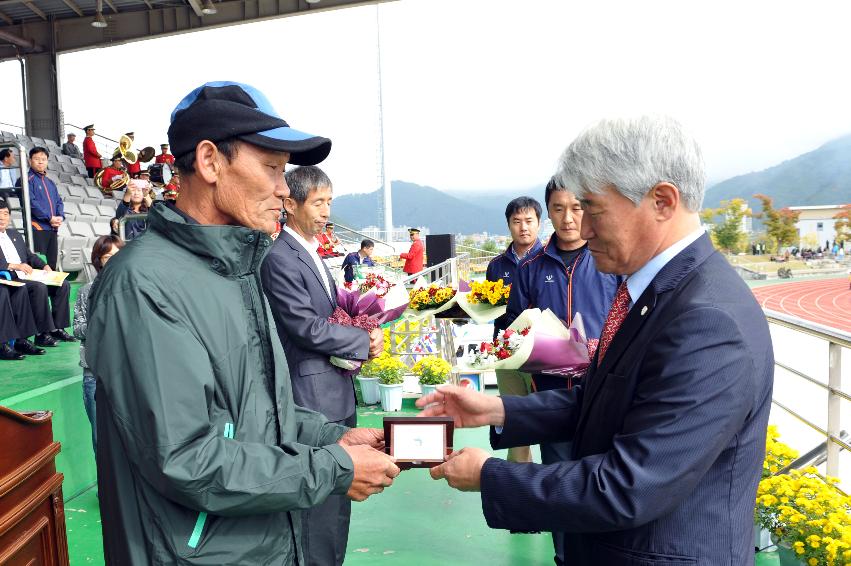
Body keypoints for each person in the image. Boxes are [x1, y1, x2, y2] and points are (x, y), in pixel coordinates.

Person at [418, 115, 774, 566]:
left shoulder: (708, 321)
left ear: (662, 201)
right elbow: (605, 400)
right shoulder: (652, 291)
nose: (582, 231)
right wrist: (497, 408)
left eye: (593, 210)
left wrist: (490, 476)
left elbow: (629, 486)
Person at [86, 81, 399, 566]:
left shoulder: (238, 267)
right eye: (272, 168)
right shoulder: (145, 285)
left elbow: (257, 413)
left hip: (257, 543)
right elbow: (185, 458)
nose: (282, 188)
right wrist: (330, 469)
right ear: (210, 162)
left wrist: (328, 436)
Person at [261, 165, 384, 566]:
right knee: (318, 512)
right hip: (311, 397)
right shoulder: (280, 256)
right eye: (318, 202)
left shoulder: (311, 251)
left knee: (336, 505)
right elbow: (304, 327)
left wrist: (359, 325)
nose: (326, 211)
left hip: (334, 389)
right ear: (290, 204)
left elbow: (327, 317)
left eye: (329, 202)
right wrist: (362, 340)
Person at [501, 180, 618, 561]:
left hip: (605, 394)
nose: (568, 219)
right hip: (551, 395)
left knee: (605, 484)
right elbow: (517, 329)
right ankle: (564, 557)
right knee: (560, 484)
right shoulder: (531, 268)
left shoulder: (610, 260)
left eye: (576, 207)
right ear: (548, 212)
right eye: (558, 209)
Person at [484, 196, 544, 464]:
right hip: (506, 353)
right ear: (508, 225)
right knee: (515, 420)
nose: (523, 227)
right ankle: (519, 485)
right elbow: (486, 305)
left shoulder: (550, 261)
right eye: (517, 221)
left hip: (543, 353)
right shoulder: (496, 265)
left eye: (529, 221)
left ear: (539, 224)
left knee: (549, 419)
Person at [73, 234, 124, 453]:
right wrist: (99, 323)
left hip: (125, 372)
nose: (112, 260)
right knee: (100, 438)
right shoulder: (86, 292)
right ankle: (106, 487)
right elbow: (77, 329)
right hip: (94, 373)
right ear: (98, 260)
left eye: (117, 255)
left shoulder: (129, 288)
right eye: (107, 256)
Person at [0, 198, 75, 346]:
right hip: (11, 277)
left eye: (5, 214)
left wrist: (45, 265)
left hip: (28, 274)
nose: (2, 218)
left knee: (63, 284)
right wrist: (14, 265)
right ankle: (42, 334)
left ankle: (57, 328)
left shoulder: (14, 234)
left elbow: (29, 256)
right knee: (38, 287)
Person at [15, 147, 65, 270]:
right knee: (39, 266)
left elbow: (59, 201)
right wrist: (49, 218)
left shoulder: (50, 182)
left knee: (52, 265)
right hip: (37, 229)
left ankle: (51, 290)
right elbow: (31, 203)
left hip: (52, 229)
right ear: (29, 160)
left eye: (43, 159)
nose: (40, 162)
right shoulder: (25, 180)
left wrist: (60, 216)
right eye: (37, 159)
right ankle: (39, 290)